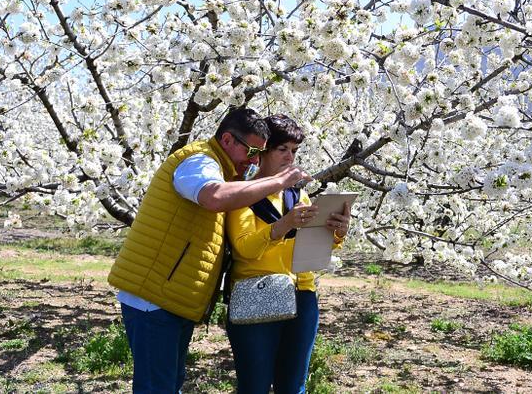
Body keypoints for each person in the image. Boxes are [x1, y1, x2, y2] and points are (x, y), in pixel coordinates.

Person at [107, 107, 307, 393]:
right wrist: (276, 182)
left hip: (172, 298)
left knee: (168, 383)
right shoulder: (198, 161)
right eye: (251, 151)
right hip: (153, 298)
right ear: (227, 140)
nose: (254, 160)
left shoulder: (224, 170)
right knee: (157, 387)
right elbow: (212, 197)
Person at [225, 114, 351, 394]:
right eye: (282, 150)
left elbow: (313, 249)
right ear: (262, 152)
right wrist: (284, 224)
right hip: (256, 292)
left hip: (302, 295)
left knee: (294, 387)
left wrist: (337, 232)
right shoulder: (241, 191)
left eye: (294, 151)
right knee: (254, 387)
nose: (289, 157)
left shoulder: (297, 195)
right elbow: (245, 248)